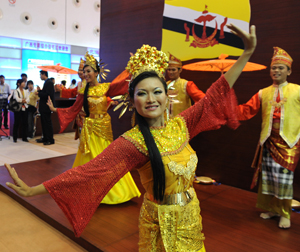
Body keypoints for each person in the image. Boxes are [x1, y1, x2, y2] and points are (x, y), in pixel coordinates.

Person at [5, 24, 256, 251]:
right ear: (132, 101)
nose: (151, 99)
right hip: (158, 223)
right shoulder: (133, 142)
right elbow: (87, 173)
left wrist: (246, 54)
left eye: (157, 91)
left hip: (191, 215)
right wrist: (33, 190)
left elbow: (216, 93)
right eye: (142, 93)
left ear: (167, 97)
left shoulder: (182, 124)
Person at [46, 52, 141, 204]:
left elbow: (123, 84)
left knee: (108, 158)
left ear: (97, 72)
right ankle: (90, 191)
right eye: (84, 71)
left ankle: (113, 192)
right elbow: (74, 108)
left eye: (88, 71)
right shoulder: (84, 91)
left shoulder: (106, 87)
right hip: (90, 129)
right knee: (92, 160)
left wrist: (133, 69)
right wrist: (55, 110)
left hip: (104, 128)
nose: (86, 74)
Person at [237, 47, 299, 229]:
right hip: (268, 142)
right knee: (270, 178)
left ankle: (285, 213)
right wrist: (226, 105)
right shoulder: (263, 92)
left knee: (284, 180)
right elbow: (245, 111)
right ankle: (273, 209)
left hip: (289, 143)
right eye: (274, 68)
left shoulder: (297, 91)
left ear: (289, 71)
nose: (276, 71)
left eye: (281, 68)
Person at [35, 70, 55, 145]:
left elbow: (47, 94)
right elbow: (45, 92)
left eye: (40, 75)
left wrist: (39, 93)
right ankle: (45, 137)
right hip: (44, 107)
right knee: (44, 123)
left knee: (47, 123)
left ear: (44, 74)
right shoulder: (47, 82)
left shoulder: (49, 82)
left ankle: (50, 139)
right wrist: (40, 91)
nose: (40, 76)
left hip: (47, 106)